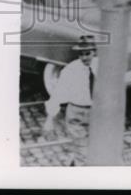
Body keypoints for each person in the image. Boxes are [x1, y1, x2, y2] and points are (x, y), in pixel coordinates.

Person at [43, 35, 97, 164]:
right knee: (82, 152)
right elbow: (57, 94)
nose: (84, 58)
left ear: (94, 52)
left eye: (87, 53)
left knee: (97, 150)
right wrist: (49, 121)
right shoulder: (71, 69)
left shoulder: (102, 67)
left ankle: (74, 163)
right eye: (81, 54)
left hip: (97, 113)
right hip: (76, 114)